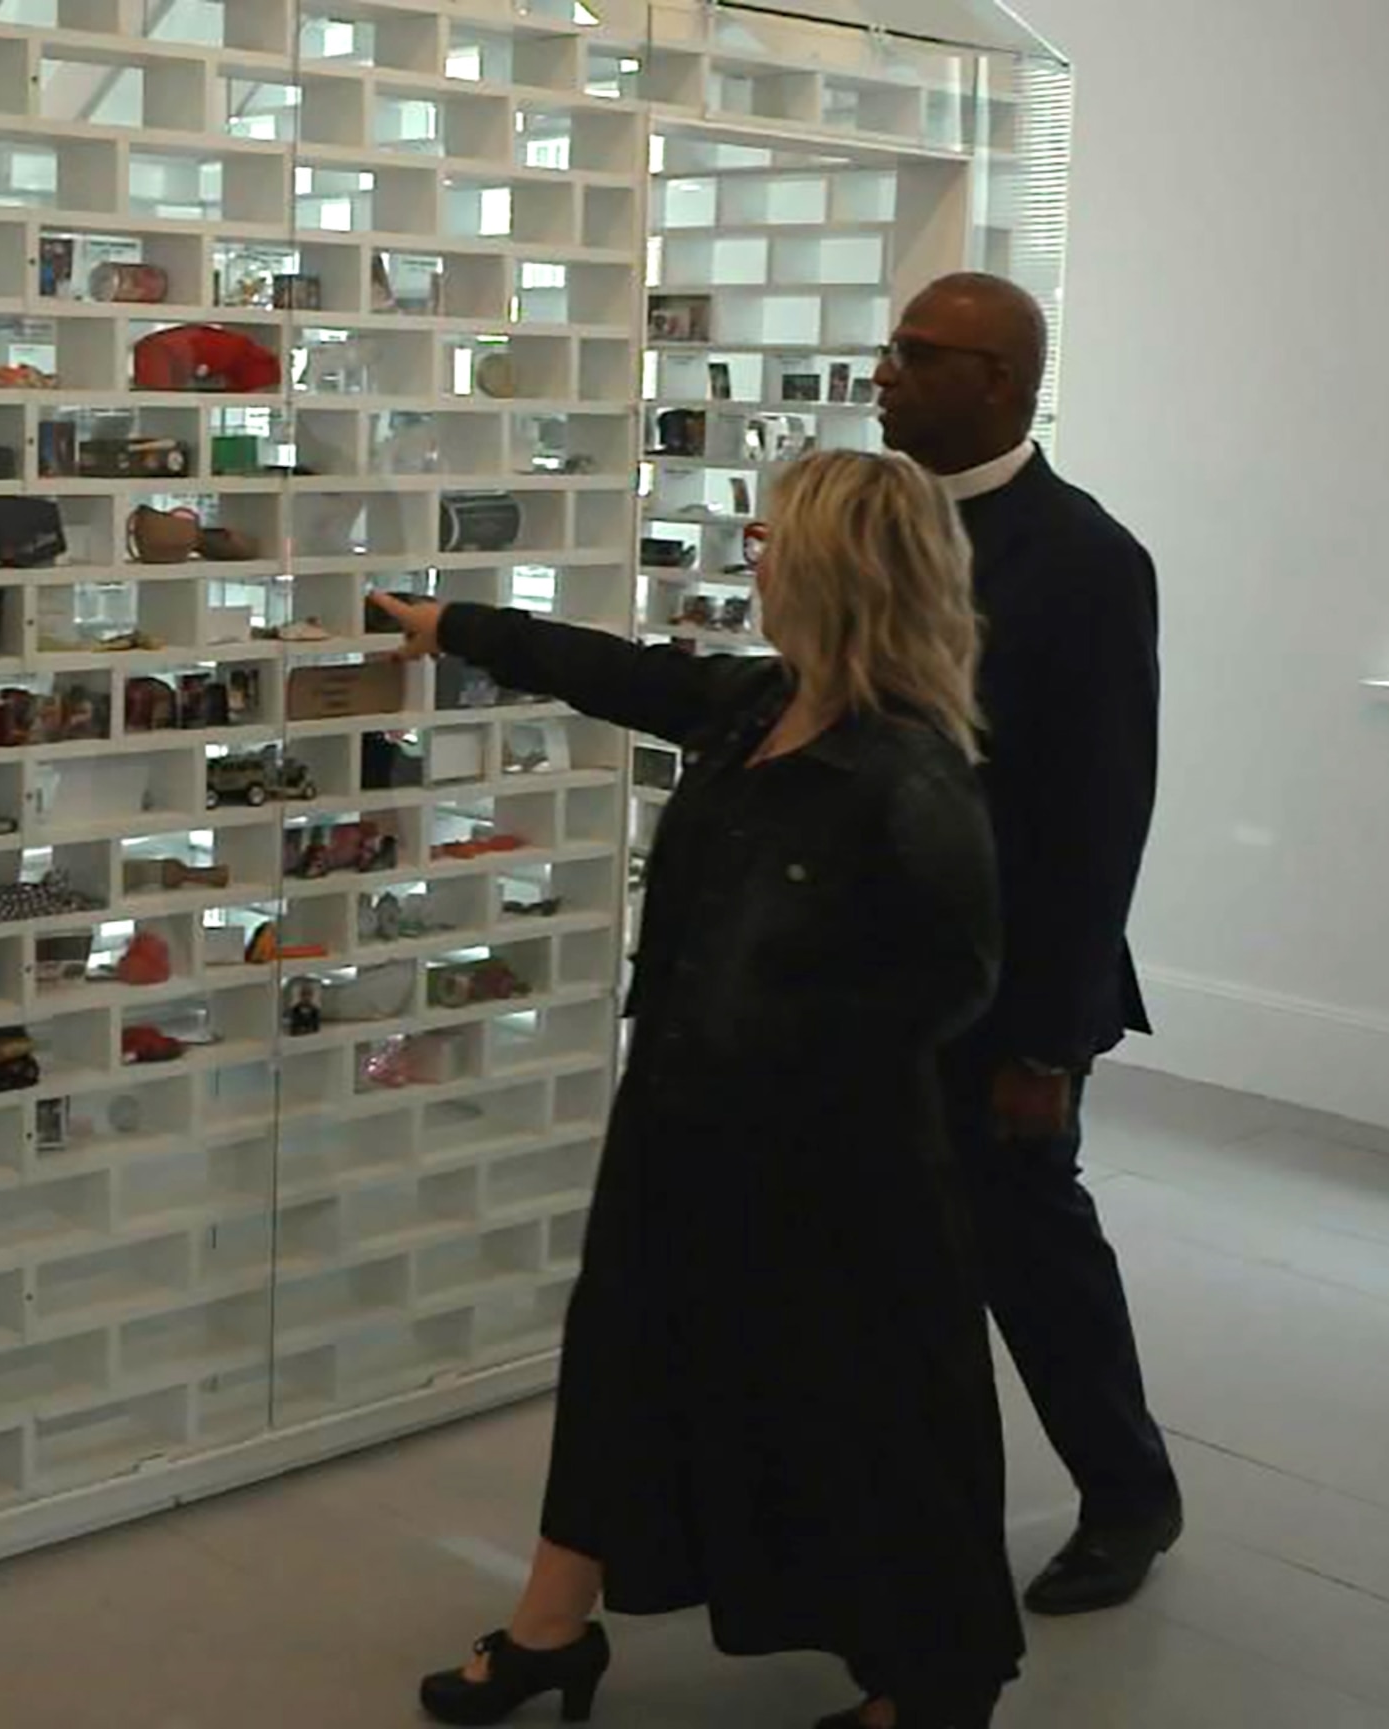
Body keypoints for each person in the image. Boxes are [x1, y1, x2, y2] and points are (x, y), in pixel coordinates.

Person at [379, 450, 1023, 1729]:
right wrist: (454, 623)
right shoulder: (754, 706)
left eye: (777, 536)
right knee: (623, 1363)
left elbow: (953, 982)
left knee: (869, 1415)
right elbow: (622, 672)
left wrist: (792, 1065)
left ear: (838, 566)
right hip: (683, 1119)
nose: (754, 552)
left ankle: (936, 1681)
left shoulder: (906, 773)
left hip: (824, 1164)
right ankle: (550, 1630)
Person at [871, 272, 1183, 1613]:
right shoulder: (881, 525)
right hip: (876, 977)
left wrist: (1048, 1043)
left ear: (999, 381)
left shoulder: (1088, 559)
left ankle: (1129, 1496)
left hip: (1006, 994)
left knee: (1032, 1253)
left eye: (915, 353)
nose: (882, 372)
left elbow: (1100, 819)